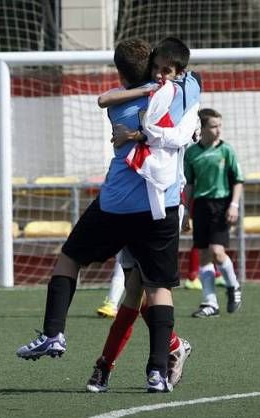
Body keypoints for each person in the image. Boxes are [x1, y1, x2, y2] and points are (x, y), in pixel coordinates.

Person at [16, 38, 197, 392]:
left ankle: (58, 335)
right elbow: (187, 95)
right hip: (161, 206)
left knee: (75, 260)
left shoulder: (120, 105)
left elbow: (105, 101)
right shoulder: (183, 92)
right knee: (149, 289)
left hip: (118, 205)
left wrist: (137, 120)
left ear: (119, 71)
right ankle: (157, 368)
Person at [85, 37, 200, 393]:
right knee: (139, 291)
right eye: (156, 67)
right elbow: (106, 100)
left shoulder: (184, 91)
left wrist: (135, 133)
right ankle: (170, 348)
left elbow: (179, 135)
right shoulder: (146, 94)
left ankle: (109, 365)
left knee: (140, 291)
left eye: (167, 69)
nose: (161, 74)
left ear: (180, 71)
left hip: (161, 202)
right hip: (132, 203)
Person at [184, 108, 244, 317]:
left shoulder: (226, 150)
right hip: (201, 206)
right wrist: (185, 210)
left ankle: (233, 286)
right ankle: (210, 303)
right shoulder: (191, 153)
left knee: (217, 251)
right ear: (202, 128)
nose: (218, 130)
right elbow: (189, 184)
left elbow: (237, 180)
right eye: (213, 126)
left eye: (220, 125)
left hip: (221, 205)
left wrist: (234, 205)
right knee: (203, 255)